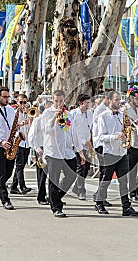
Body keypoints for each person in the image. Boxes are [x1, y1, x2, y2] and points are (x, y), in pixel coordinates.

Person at [94, 91, 138, 216]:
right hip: (110, 152)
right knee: (106, 179)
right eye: (116, 99)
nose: (118, 102)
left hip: (122, 152)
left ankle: (126, 206)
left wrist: (126, 135)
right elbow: (101, 137)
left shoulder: (122, 115)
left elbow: (127, 129)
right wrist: (115, 137)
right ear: (109, 100)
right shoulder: (103, 116)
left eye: (119, 99)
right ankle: (99, 202)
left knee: (123, 180)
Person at [41, 90, 81, 218]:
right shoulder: (47, 113)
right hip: (53, 151)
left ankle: (55, 197)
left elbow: (73, 134)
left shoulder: (68, 114)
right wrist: (54, 117)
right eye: (56, 101)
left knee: (72, 175)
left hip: (67, 151)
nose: (58, 103)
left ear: (64, 101)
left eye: (60, 101)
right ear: (53, 100)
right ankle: (56, 207)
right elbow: (46, 130)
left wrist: (80, 151)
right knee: (54, 179)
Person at [124, 88, 138, 203]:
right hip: (131, 142)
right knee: (132, 169)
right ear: (131, 97)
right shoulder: (124, 109)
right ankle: (132, 193)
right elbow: (126, 123)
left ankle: (135, 189)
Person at [91, 92, 112, 207]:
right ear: (106, 98)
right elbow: (98, 127)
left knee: (105, 171)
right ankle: (100, 196)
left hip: (106, 144)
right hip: (100, 143)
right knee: (104, 171)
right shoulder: (100, 110)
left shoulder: (108, 109)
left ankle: (101, 195)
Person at [71, 94, 93, 200]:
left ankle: (76, 186)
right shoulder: (74, 114)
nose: (89, 104)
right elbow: (73, 132)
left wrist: (90, 141)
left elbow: (91, 127)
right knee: (81, 167)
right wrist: (82, 142)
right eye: (87, 102)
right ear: (80, 103)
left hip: (88, 144)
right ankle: (81, 190)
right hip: (78, 145)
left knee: (86, 168)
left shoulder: (90, 113)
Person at [10, 94, 32, 195]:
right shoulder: (14, 113)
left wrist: (30, 119)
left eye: (24, 102)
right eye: (21, 102)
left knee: (21, 165)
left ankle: (14, 187)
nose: (23, 104)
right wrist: (21, 124)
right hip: (18, 142)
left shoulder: (27, 113)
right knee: (19, 165)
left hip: (26, 142)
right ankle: (22, 186)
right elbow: (12, 127)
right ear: (17, 102)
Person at [28, 104, 48, 205]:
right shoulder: (38, 120)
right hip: (41, 148)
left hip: (49, 149)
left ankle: (49, 195)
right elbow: (31, 136)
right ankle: (41, 197)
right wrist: (37, 148)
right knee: (42, 174)